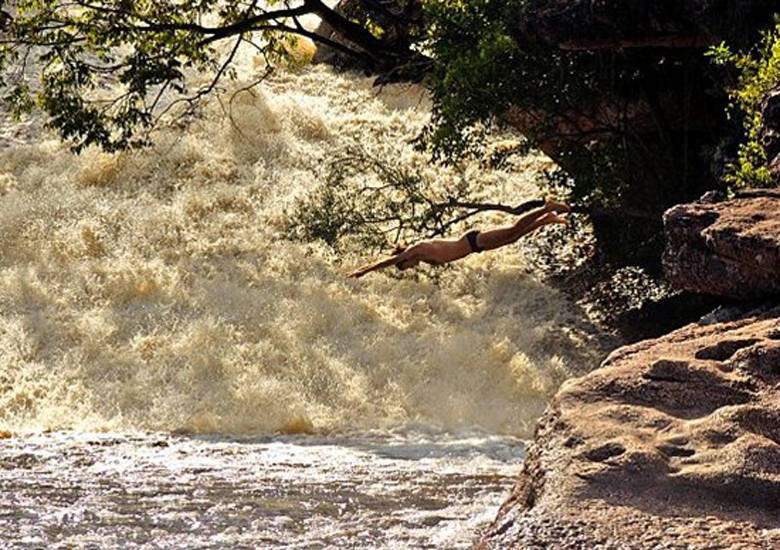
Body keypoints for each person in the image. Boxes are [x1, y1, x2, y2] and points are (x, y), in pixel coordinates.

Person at [348, 199, 571, 278]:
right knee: (512, 238)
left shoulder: (415, 250)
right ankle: (546, 219)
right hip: (475, 246)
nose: (411, 267)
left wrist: (364, 270)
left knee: (513, 229)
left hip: (473, 241)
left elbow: (388, 261)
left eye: (406, 266)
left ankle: (546, 208)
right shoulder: (422, 256)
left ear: (403, 260)